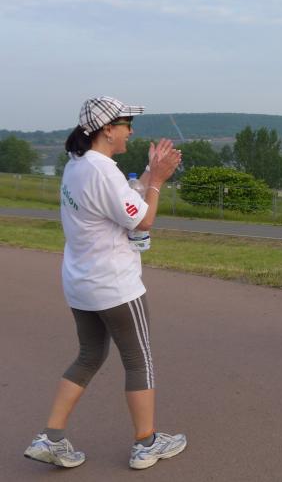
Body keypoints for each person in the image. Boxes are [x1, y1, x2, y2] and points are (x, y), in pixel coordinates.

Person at [24, 96, 186, 469]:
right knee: (139, 359)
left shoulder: (77, 164)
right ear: (108, 129)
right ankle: (146, 443)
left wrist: (148, 172)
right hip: (115, 285)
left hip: (81, 283)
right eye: (127, 124)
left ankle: (51, 437)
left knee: (90, 355)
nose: (132, 131)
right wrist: (158, 181)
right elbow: (143, 220)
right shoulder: (102, 171)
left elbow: (125, 200)